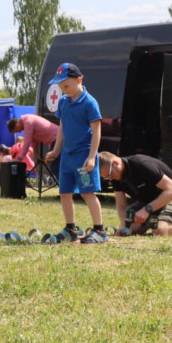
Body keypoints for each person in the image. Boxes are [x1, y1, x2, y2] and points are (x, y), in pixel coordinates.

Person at [43, 63, 107, 243]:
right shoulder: (63, 102)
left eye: (66, 86)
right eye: (60, 87)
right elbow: (62, 127)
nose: (64, 90)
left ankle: (99, 230)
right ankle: (70, 228)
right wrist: (56, 150)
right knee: (65, 192)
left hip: (83, 156)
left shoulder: (90, 103)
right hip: (67, 156)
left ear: (79, 80)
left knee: (87, 193)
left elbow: (96, 131)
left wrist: (91, 157)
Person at [99, 151, 172, 237]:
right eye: (106, 177)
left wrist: (146, 210)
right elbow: (121, 205)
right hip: (148, 202)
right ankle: (152, 220)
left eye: (110, 174)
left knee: (160, 231)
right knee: (131, 230)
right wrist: (125, 225)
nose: (110, 179)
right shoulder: (115, 177)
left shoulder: (142, 164)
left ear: (115, 163)